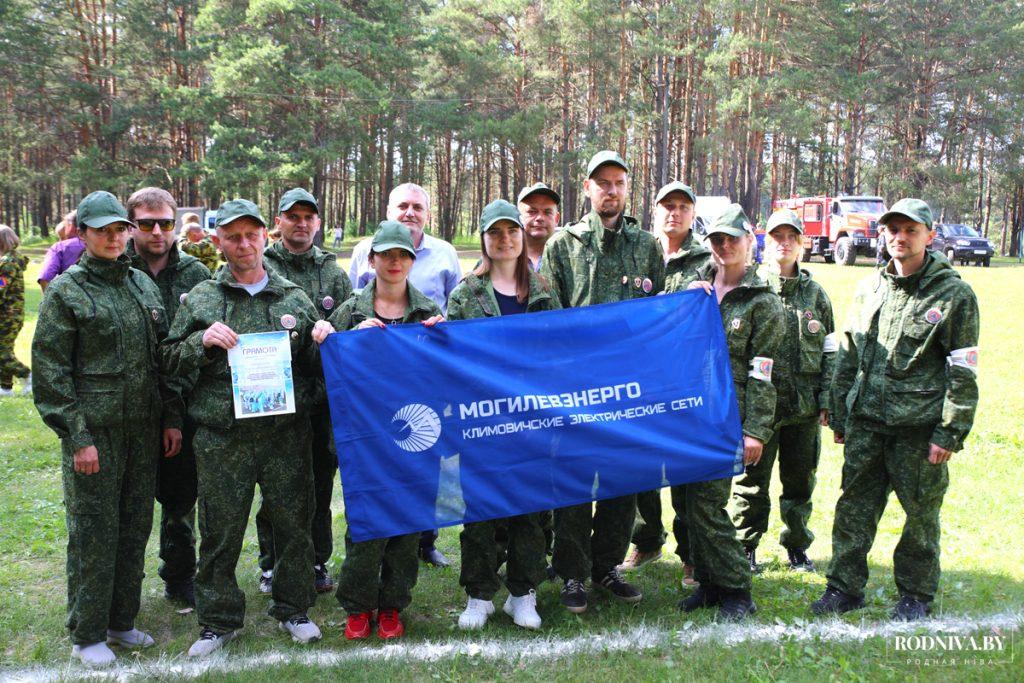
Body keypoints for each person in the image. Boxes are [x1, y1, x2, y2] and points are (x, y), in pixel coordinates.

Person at [161, 199, 323, 656]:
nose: (244, 243)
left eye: (251, 234)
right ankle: (218, 620)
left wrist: (319, 340)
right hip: (222, 436)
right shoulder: (203, 299)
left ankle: (294, 608)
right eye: (233, 236)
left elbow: (314, 368)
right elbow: (169, 361)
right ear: (218, 241)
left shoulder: (293, 298)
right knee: (220, 531)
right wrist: (200, 341)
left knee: (293, 526)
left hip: (284, 436)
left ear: (263, 237)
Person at [31, 191, 182, 667]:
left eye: (120, 229)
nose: (114, 237)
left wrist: (171, 418)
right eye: (103, 230)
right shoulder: (68, 292)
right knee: (94, 533)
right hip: (95, 436)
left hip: (142, 431)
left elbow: (162, 360)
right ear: (83, 233)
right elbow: (52, 372)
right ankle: (87, 631)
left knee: (134, 527)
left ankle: (121, 621)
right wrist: (77, 437)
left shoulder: (141, 285)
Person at [813, 198, 980, 621]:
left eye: (910, 230)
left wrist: (950, 431)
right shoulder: (870, 288)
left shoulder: (954, 293)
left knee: (920, 516)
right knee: (853, 508)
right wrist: (840, 410)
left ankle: (916, 595)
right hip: (867, 423)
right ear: (883, 234)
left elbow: (963, 368)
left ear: (929, 234)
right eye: (893, 230)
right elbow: (849, 352)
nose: (900, 238)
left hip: (918, 429)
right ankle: (844, 587)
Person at [541, 150, 665, 613]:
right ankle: (573, 573)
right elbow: (550, 319)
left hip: (629, 391)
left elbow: (656, 317)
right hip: (577, 388)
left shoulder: (648, 246)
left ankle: (606, 566)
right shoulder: (563, 244)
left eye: (618, 182)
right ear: (587, 188)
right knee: (574, 482)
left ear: (627, 188)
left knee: (622, 482)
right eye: (602, 183)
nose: (610, 190)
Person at [312, 220, 444, 640]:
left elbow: (446, 375)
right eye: (385, 254)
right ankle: (358, 605)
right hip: (365, 440)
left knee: (407, 525)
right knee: (366, 525)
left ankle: (391, 606)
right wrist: (341, 337)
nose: (394, 262)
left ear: (411, 260)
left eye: (402, 254)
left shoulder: (427, 313)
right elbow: (323, 369)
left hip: (414, 436)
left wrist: (442, 340)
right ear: (371, 260)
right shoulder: (350, 310)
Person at [448, 200, 560, 631]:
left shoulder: (545, 290)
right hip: (482, 421)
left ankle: (522, 593)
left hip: (532, 421)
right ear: (484, 240)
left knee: (530, 511)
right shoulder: (465, 294)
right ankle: (478, 595)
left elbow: (558, 350)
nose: (506, 239)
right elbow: (452, 357)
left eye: (511, 231)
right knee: (480, 512)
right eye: (495, 233)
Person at [673, 204, 784, 620]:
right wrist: (684, 298)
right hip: (686, 415)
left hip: (727, 418)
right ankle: (708, 582)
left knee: (707, 504)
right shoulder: (693, 286)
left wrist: (754, 430)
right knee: (686, 504)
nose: (723, 247)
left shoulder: (763, 303)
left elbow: (764, 374)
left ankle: (737, 588)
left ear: (748, 241)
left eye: (731, 239)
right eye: (717, 240)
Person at [348, 182, 461, 567]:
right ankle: (374, 545)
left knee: (422, 457)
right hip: (373, 386)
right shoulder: (365, 250)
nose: (410, 212)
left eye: (417, 207)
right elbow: (352, 311)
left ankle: (424, 540)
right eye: (402, 206)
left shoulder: (445, 253)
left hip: (421, 377)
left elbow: (453, 311)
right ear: (389, 210)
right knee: (377, 460)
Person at [257, 187, 353, 596]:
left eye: (308, 217)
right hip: (271, 397)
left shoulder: (332, 272)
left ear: (317, 222)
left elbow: (350, 327)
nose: (300, 223)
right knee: (274, 484)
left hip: (320, 400)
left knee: (318, 482)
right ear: (277, 221)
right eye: (291, 216)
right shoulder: (259, 265)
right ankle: (270, 563)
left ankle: (316, 561)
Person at [727, 209, 835, 573]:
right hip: (761, 411)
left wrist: (826, 399)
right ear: (764, 243)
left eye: (792, 237)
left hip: (803, 408)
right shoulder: (753, 288)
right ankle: (745, 547)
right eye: (776, 237)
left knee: (800, 482)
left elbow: (830, 351)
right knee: (751, 483)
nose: (784, 243)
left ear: (802, 244)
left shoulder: (816, 295)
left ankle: (797, 546)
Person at [125, 188, 212, 608]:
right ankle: (122, 585)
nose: (157, 232)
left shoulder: (196, 274)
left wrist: (177, 412)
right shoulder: (115, 268)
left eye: (165, 223)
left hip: (184, 404)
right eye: (146, 223)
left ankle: (179, 576)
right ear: (131, 225)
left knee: (180, 500)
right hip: (130, 406)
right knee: (130, 503)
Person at [620, 181, 710, 580]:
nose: (674, 212)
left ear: (692, 213)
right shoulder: (637, 250)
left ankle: (689, 552)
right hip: (639, 376)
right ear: (654, 210)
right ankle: (647, 540)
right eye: (667, 206)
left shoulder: (708, 258)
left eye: (682, 206)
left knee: (684, 468)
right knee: (641, 463)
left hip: (685, 379)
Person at [0, 225, 31, 396]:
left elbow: (1, 286)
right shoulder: (12, 259)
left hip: (7, 314)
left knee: (1, 352)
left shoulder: (8, 263)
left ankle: (28, 375)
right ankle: (5, 387)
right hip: (11, 314)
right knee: (5, 350)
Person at [517, 183, 561, 272]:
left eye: (547, 212)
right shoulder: (505, 258)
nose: (540, 218)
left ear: (556, 219)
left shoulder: (569, 258)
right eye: (532, 211)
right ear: (519, 217)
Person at [38, 210, 85, 292]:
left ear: (70, 226)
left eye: (65, 225)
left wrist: (49, 302)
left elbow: (45, 278)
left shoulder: (59, 247)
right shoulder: (103, 245)